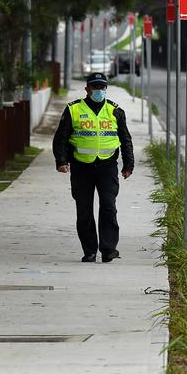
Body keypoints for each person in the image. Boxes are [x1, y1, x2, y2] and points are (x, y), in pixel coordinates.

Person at [52, 72, 134, 263]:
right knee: (84, 211)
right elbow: (61, 138)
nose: (99, 91)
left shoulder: (115, 111)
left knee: (108, 206)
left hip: (107, 166)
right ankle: (89, 251)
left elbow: (125, 140)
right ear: (87, 89)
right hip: (81, 167)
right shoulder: (73, 109)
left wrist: (128, 164)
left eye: (102, 87)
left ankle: (108, 249)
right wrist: (61, 161)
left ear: (106, 89)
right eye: (95, 87)